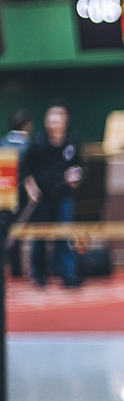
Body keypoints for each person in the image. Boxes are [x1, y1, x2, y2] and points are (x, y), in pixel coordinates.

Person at [20, 101, 84, 288]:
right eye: (51, 121)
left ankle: (66, 273)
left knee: (64, 235)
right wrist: (31, 189)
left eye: (58, 121)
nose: (54, 125)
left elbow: (81, 166)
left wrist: (76, 177)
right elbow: (25, 170)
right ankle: (38, 274)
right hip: (41, 196)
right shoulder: (37, 142)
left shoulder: (72, 140)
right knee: (40, 237)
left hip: (63, 195)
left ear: (65, 121)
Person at [2, 109, 32, 279]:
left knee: (6, 230)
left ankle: (12, 267)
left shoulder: (2, 143)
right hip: (21, 194)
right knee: (16, 232)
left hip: (4, 194)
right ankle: (16, 269)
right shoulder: (29, 146)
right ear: (27, 126)